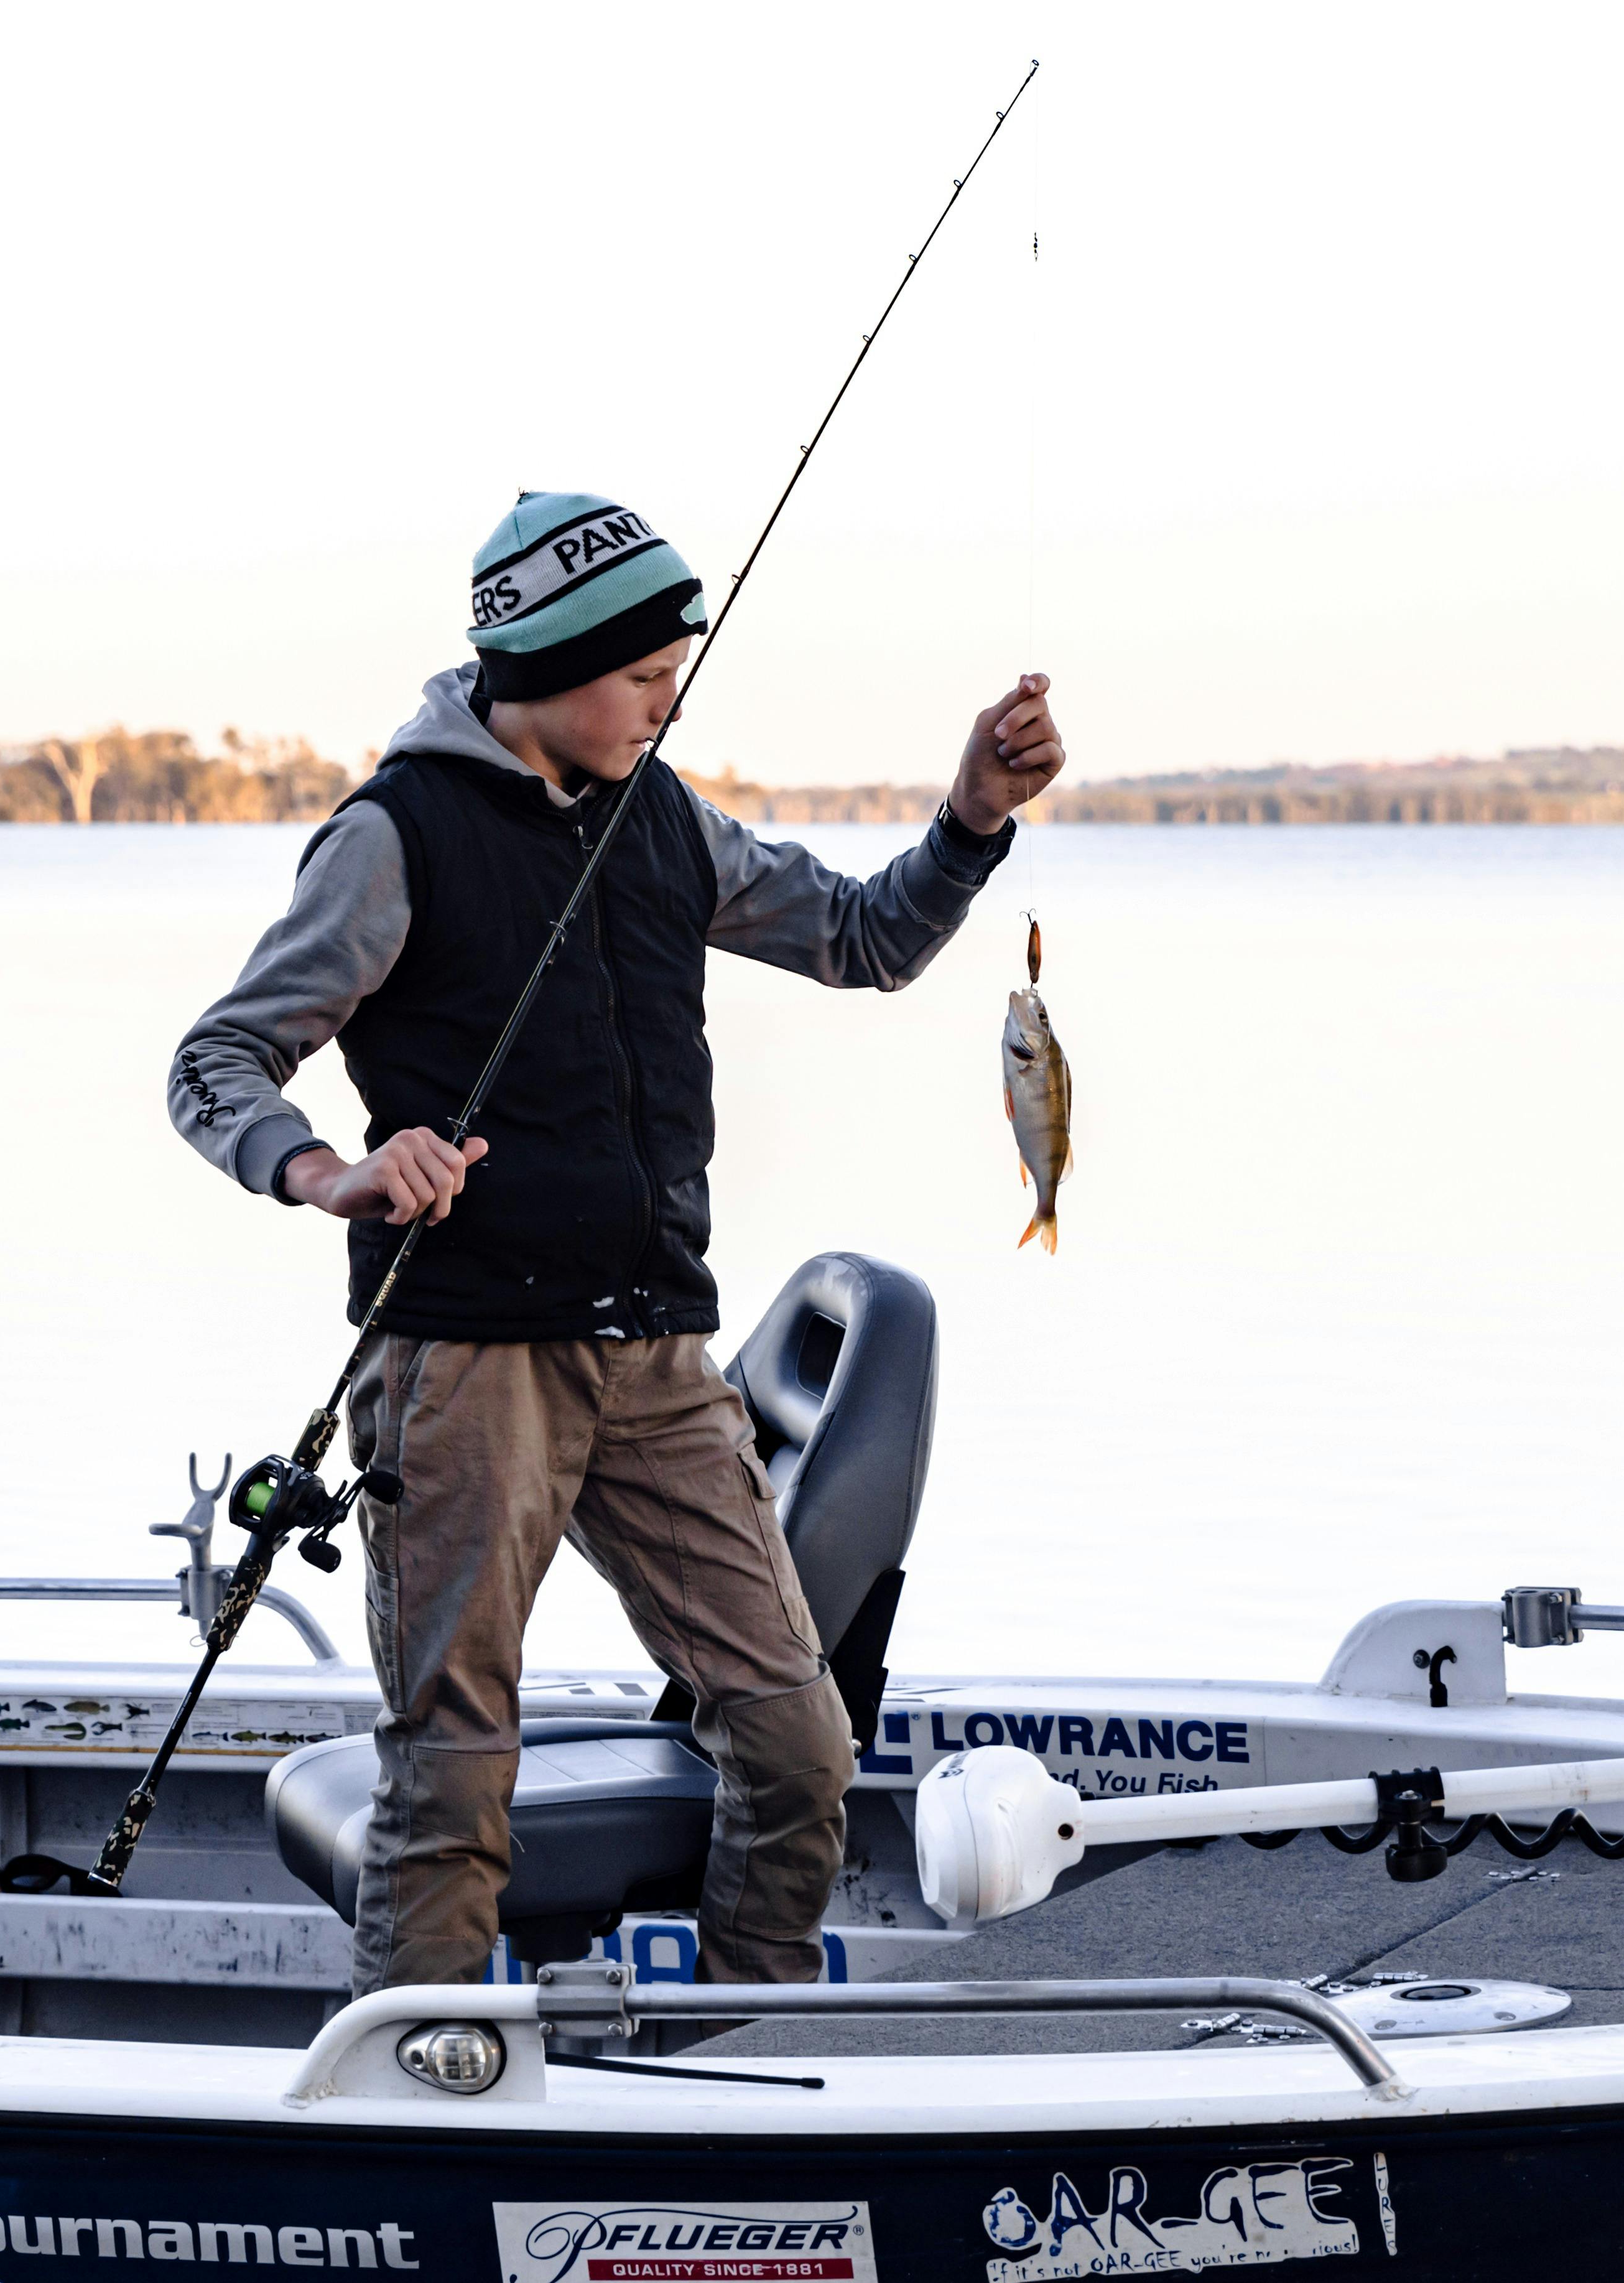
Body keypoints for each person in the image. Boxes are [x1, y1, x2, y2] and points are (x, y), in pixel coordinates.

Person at [169, 491, 1064, 1991]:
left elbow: (865, 941)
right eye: (647, 675)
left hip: (656, 1360)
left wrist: (974, 816)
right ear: (546, 667)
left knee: (798, 1737)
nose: (671, 697)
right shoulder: (394, 837)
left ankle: (735, 2049)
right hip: (461, 1372)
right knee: (455, 1773)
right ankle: (426, 2090)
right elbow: (218, 1061)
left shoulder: (663, 818)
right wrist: (333, 1171)